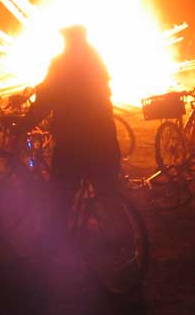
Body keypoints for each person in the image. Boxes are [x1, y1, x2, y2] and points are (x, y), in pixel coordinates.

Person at [16, 25, 120, 235]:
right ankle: (126, 242)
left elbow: (45, 100)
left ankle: (57, 239)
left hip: (73, 140)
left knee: (61, 193)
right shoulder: (95, 60)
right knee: (110, 195)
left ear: (68, 41)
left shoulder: (62, 64)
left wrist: (22, 127)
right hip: (104, 136)